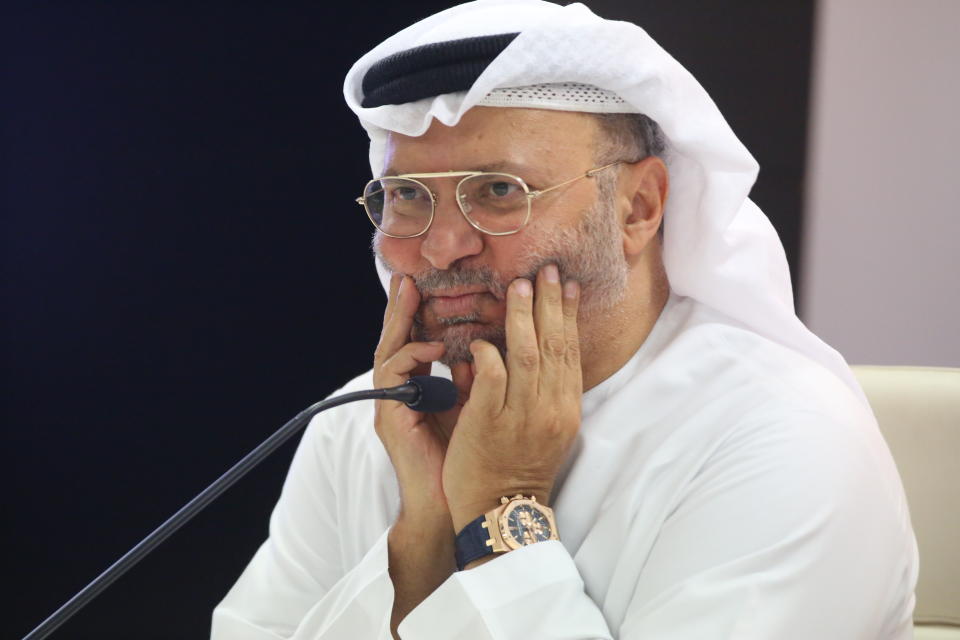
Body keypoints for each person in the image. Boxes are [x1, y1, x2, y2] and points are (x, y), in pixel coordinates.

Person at [211, 1, 918, 638]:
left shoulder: (780, 437)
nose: (440, 245)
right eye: (407, 196)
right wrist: (422, 539)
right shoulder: (367, 419)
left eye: (497, 190)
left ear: (638, 208)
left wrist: (499, 511)